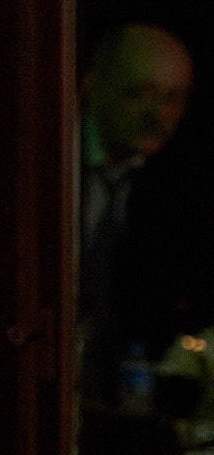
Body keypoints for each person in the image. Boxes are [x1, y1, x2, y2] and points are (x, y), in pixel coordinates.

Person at [77, 22, 204, 398]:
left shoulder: (176, 181)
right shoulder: (43, 164)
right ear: (91, 84)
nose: (157, 114)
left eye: (172, 99)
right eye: (140, 94)